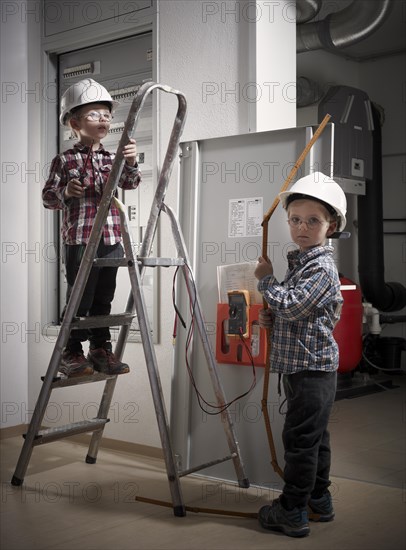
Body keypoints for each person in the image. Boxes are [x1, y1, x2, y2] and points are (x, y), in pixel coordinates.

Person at [254, 171, 347, 538]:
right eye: (295, 219)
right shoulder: (303, 263)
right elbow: (294, 314)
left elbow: (292, 307)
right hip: (301, 366)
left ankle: (292, 510)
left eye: (313, 221)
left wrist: (266, 281)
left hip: (312, 370)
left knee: (300, 441)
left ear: (332, 225)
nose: (302, 228)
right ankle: (318, 500)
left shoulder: (321, 268)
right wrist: (269, 316)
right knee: (315, 437)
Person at [43, 78, 141, 378]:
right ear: (74, 122)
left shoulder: (113, 158)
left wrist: (133, 162)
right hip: (80, 240)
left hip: (110, 238)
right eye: (95, 114)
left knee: (103, 298)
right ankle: (71, 351)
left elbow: (130, 183)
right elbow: (48, 197)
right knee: (80, 296)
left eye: (107, 114)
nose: (104, 119)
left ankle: (100, 349)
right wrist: (66, 193)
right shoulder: (64, 159)